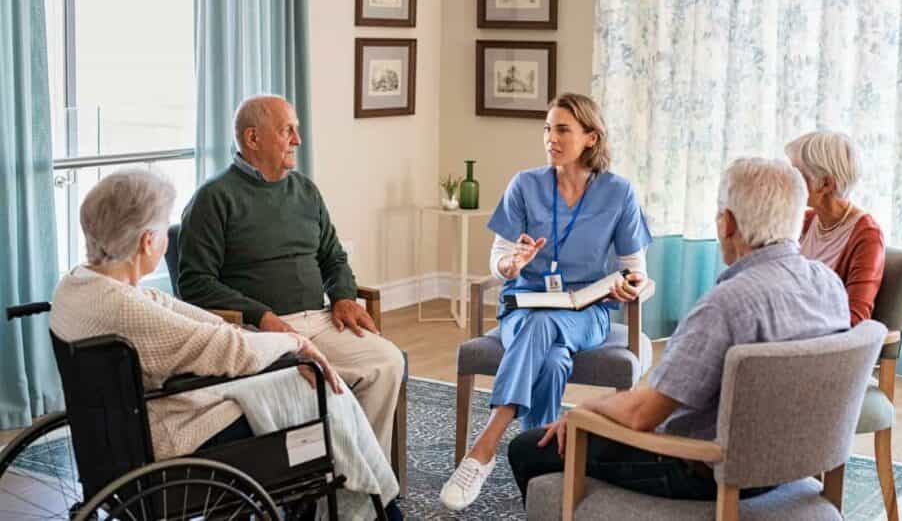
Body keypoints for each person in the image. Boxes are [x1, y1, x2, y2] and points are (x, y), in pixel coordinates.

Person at [49, 170, 401, 519]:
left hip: (112, 442)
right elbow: (223, 349)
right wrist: (291, 343)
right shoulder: (125, 308)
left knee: (295, 382)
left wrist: (261, 338)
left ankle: (360, 497)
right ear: (147, 241)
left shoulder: (76, 287)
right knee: (317, 392)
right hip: (173, 435)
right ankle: (368, 507)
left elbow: (173, 309)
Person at [508, 157, 851, 504]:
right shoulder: (830, 286)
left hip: (701, 471)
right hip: (789, 467)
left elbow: (642, 415)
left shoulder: (725, 305)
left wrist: (582, 411)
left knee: (528, 447)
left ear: (727, 222)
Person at [440, 93, 653, 511]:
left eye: (562, 130)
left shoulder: (618, 193)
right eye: (546, 129)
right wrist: (511, 265)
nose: (550, 138)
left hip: (587, 312)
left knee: (546, 326)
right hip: (524, 304)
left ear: (591, 138)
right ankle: (538, 467)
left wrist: (634, 285)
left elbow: (636, 270)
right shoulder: (525, 184)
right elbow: (499, 257)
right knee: (552, 357)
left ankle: (483, 448)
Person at [177, 95, 404, 455]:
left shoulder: (305, 191)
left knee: (387, 362)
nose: (297, 140)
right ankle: (319, 481)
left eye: (296, 130)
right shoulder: (213, 198)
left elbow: (333, 255)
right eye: (287, 130)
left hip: (320, 319)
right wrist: (261, 317)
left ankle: (361, 482)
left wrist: (343, 295)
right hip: (258, 333)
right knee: (306, 384)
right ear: (253, 138)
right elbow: (195, 283)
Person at [785, 131, 885, 324]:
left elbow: (855, 318)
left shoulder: (867, 236)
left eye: (796, 175)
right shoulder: (803, 221)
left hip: (822, 344)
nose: (789, 183)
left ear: (826, 184)